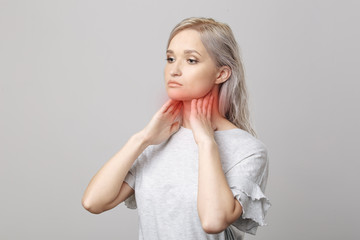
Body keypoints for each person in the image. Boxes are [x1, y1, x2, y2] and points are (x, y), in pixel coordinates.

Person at [81, 17, 271, 240]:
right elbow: (93, 201)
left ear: (221, 74)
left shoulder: (248, 150)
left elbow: (213, 221)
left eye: (191, 60)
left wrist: (206, 142)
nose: (174, 70)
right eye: (170, 59)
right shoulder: (158, 140)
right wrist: (141, 139)